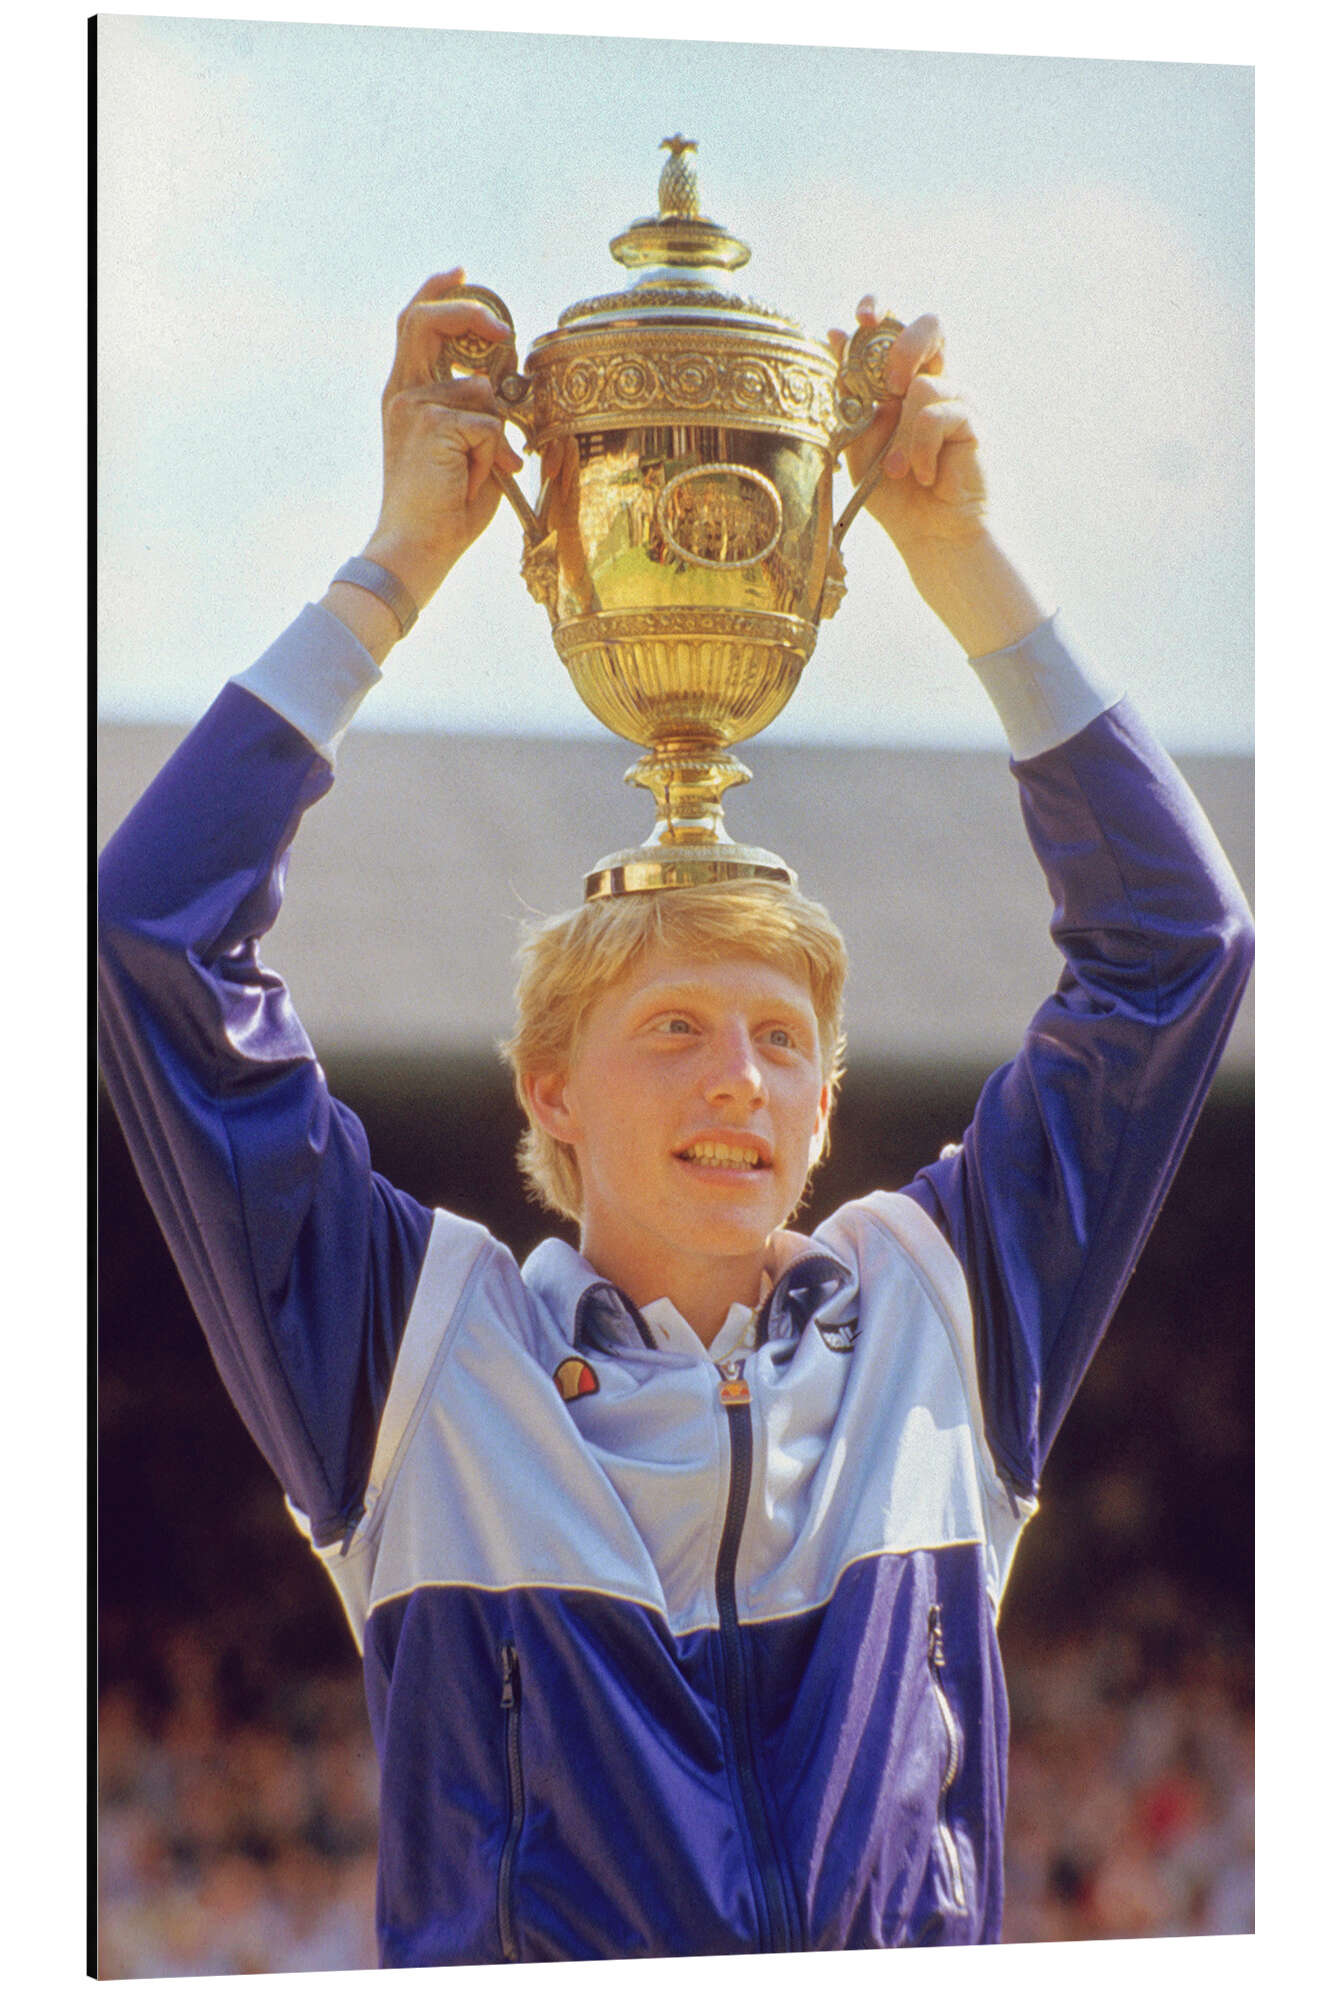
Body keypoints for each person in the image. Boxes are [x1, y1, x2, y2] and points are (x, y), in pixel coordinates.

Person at [97, 271, 1253, 1964]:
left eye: (782, 1041)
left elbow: (1178, 953)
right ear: (548, 1090)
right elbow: (154, 933)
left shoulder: (944, 1311)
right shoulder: (415, 1356)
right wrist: (399, 562)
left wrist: (957, 558)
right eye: (674, 1030)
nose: (739, 1080)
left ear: (826, 1100)